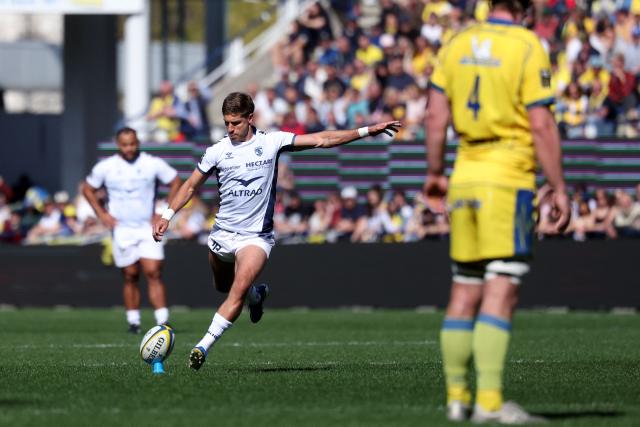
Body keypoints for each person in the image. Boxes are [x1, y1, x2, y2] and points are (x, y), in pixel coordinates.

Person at [152, 92, 400, 371]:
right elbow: (189, 186)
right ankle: (257, 296)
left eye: (235, 122)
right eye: (226, 123)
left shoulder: (272, 142)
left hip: (256, 237)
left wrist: (366, 130)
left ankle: (203, 346)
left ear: (250, 118)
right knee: (223, 286)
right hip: (222, 234)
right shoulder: (217, 150)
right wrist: (168, 215)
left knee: (236, 290)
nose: (230, 129)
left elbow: (323, 138)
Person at [424, 0, 571, 423]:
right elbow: (541, 123)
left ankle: (456, 398)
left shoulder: (455, 43)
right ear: (525, 8)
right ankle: (489, 401)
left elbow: (436, 116)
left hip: (464, 174)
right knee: (502, 286)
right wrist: (558, 186)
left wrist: (435, 171)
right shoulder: (527, 45)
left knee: (464, 288)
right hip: (507, 177)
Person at [82, 127, 181, 333]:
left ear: (138, 142)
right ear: (118, 145)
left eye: (133, 143)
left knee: (153, 271)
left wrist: (164, 212)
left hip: (147, 227)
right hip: (122, 229)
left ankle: (162, 320)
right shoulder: (106, 167)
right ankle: (133, 321)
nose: (129, 148)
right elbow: (87, 188)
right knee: (130, 274)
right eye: (125, 144)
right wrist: (102, 214)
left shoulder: (151, 163)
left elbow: (175, 181)